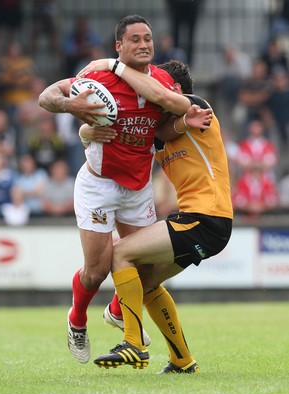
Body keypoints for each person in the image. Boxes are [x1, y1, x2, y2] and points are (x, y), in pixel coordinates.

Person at [39, 15, 212, 365]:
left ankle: (120, 313)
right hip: (98, 185)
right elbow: (46, 96)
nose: (144, 44)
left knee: (144, 268)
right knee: (97, 270)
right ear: (119, 46)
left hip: (137, 189)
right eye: (135, 39)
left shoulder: (161, 82)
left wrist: (181, 120)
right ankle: (77, 320)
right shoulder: (97, 77)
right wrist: (73, 107)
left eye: (147, 38)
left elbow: (163, 128)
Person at [78, 59, 232, 373]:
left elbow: (161, 98)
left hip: (205, 218)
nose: (150, 98)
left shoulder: (198, 108)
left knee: (120, 253)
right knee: (146, 284)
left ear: (173, 89)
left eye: (158, 88)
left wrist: (115, 66)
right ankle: (182, 361)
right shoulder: (161, 131)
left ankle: (133, 344)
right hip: (204, 223)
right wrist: (86, 130)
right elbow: (112, 127)